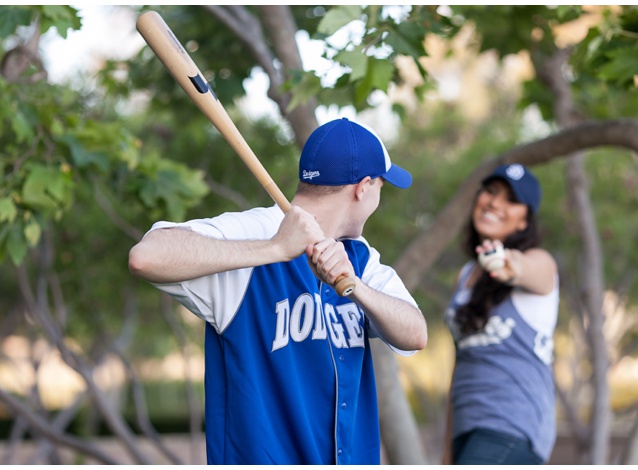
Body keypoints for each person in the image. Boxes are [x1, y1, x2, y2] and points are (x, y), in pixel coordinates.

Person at [128, 117, 427, 465]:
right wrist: (274, 249)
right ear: (363, 187)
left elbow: (415, 334)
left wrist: (356, 287)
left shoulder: (359, 257)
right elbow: (145, 257)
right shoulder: (258, 230)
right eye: (381, 186)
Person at [443, 163, 559, 465]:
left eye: (511, 199)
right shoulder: (467, 275)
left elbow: (533, 271)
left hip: (513, 426)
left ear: (524, 222)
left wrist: (510, 265)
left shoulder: (539, 262)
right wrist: (446, 453)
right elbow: (461, 367)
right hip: (467, 431)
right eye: (491, 191)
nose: (495, 202)